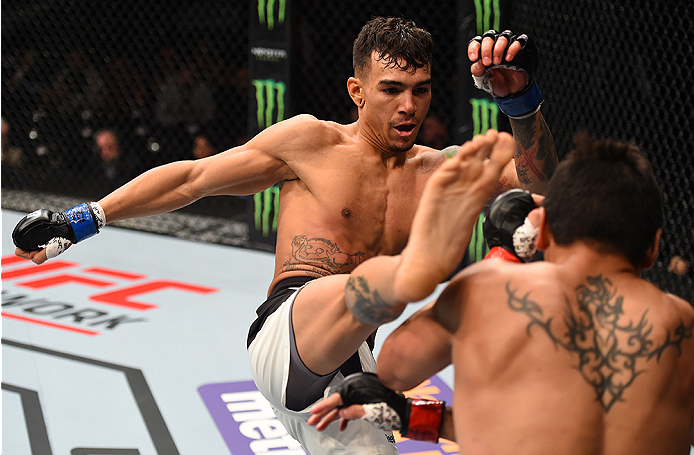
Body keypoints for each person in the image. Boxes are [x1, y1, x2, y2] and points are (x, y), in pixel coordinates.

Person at [12, 18, 558, 453]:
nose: (409, 106)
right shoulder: (311, 143)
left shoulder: (439, 169)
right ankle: (423, 271)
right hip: (289, 332)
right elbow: (194, 177)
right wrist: (83, 218)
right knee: (372, 286)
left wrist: (522, 105)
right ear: (357, 91)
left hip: (350, 365)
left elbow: (543, 186)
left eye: (420, 89)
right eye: (391, 89)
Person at [309, 135, 694, 454]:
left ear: (542, 232)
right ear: (653, 248)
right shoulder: (683, 325)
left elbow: (394, 369)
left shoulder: (489, 290)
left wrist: (502, 257)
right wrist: (411, 416)